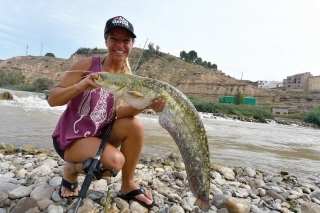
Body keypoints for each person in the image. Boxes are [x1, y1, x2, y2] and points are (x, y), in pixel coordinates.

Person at [47, 16, 165, 209]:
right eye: (114, 38)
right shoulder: (86, 65)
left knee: (135, 124)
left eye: (125, 40)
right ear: (106, 41)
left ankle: (128, 186)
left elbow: (119, 114)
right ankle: (71, 169)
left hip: (99, 137)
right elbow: (53, 99)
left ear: (132, 44)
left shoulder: (128, 79)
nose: (120, 45)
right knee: (114, 163)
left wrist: (146, 104)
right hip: (71, 140)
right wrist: (81, 85)